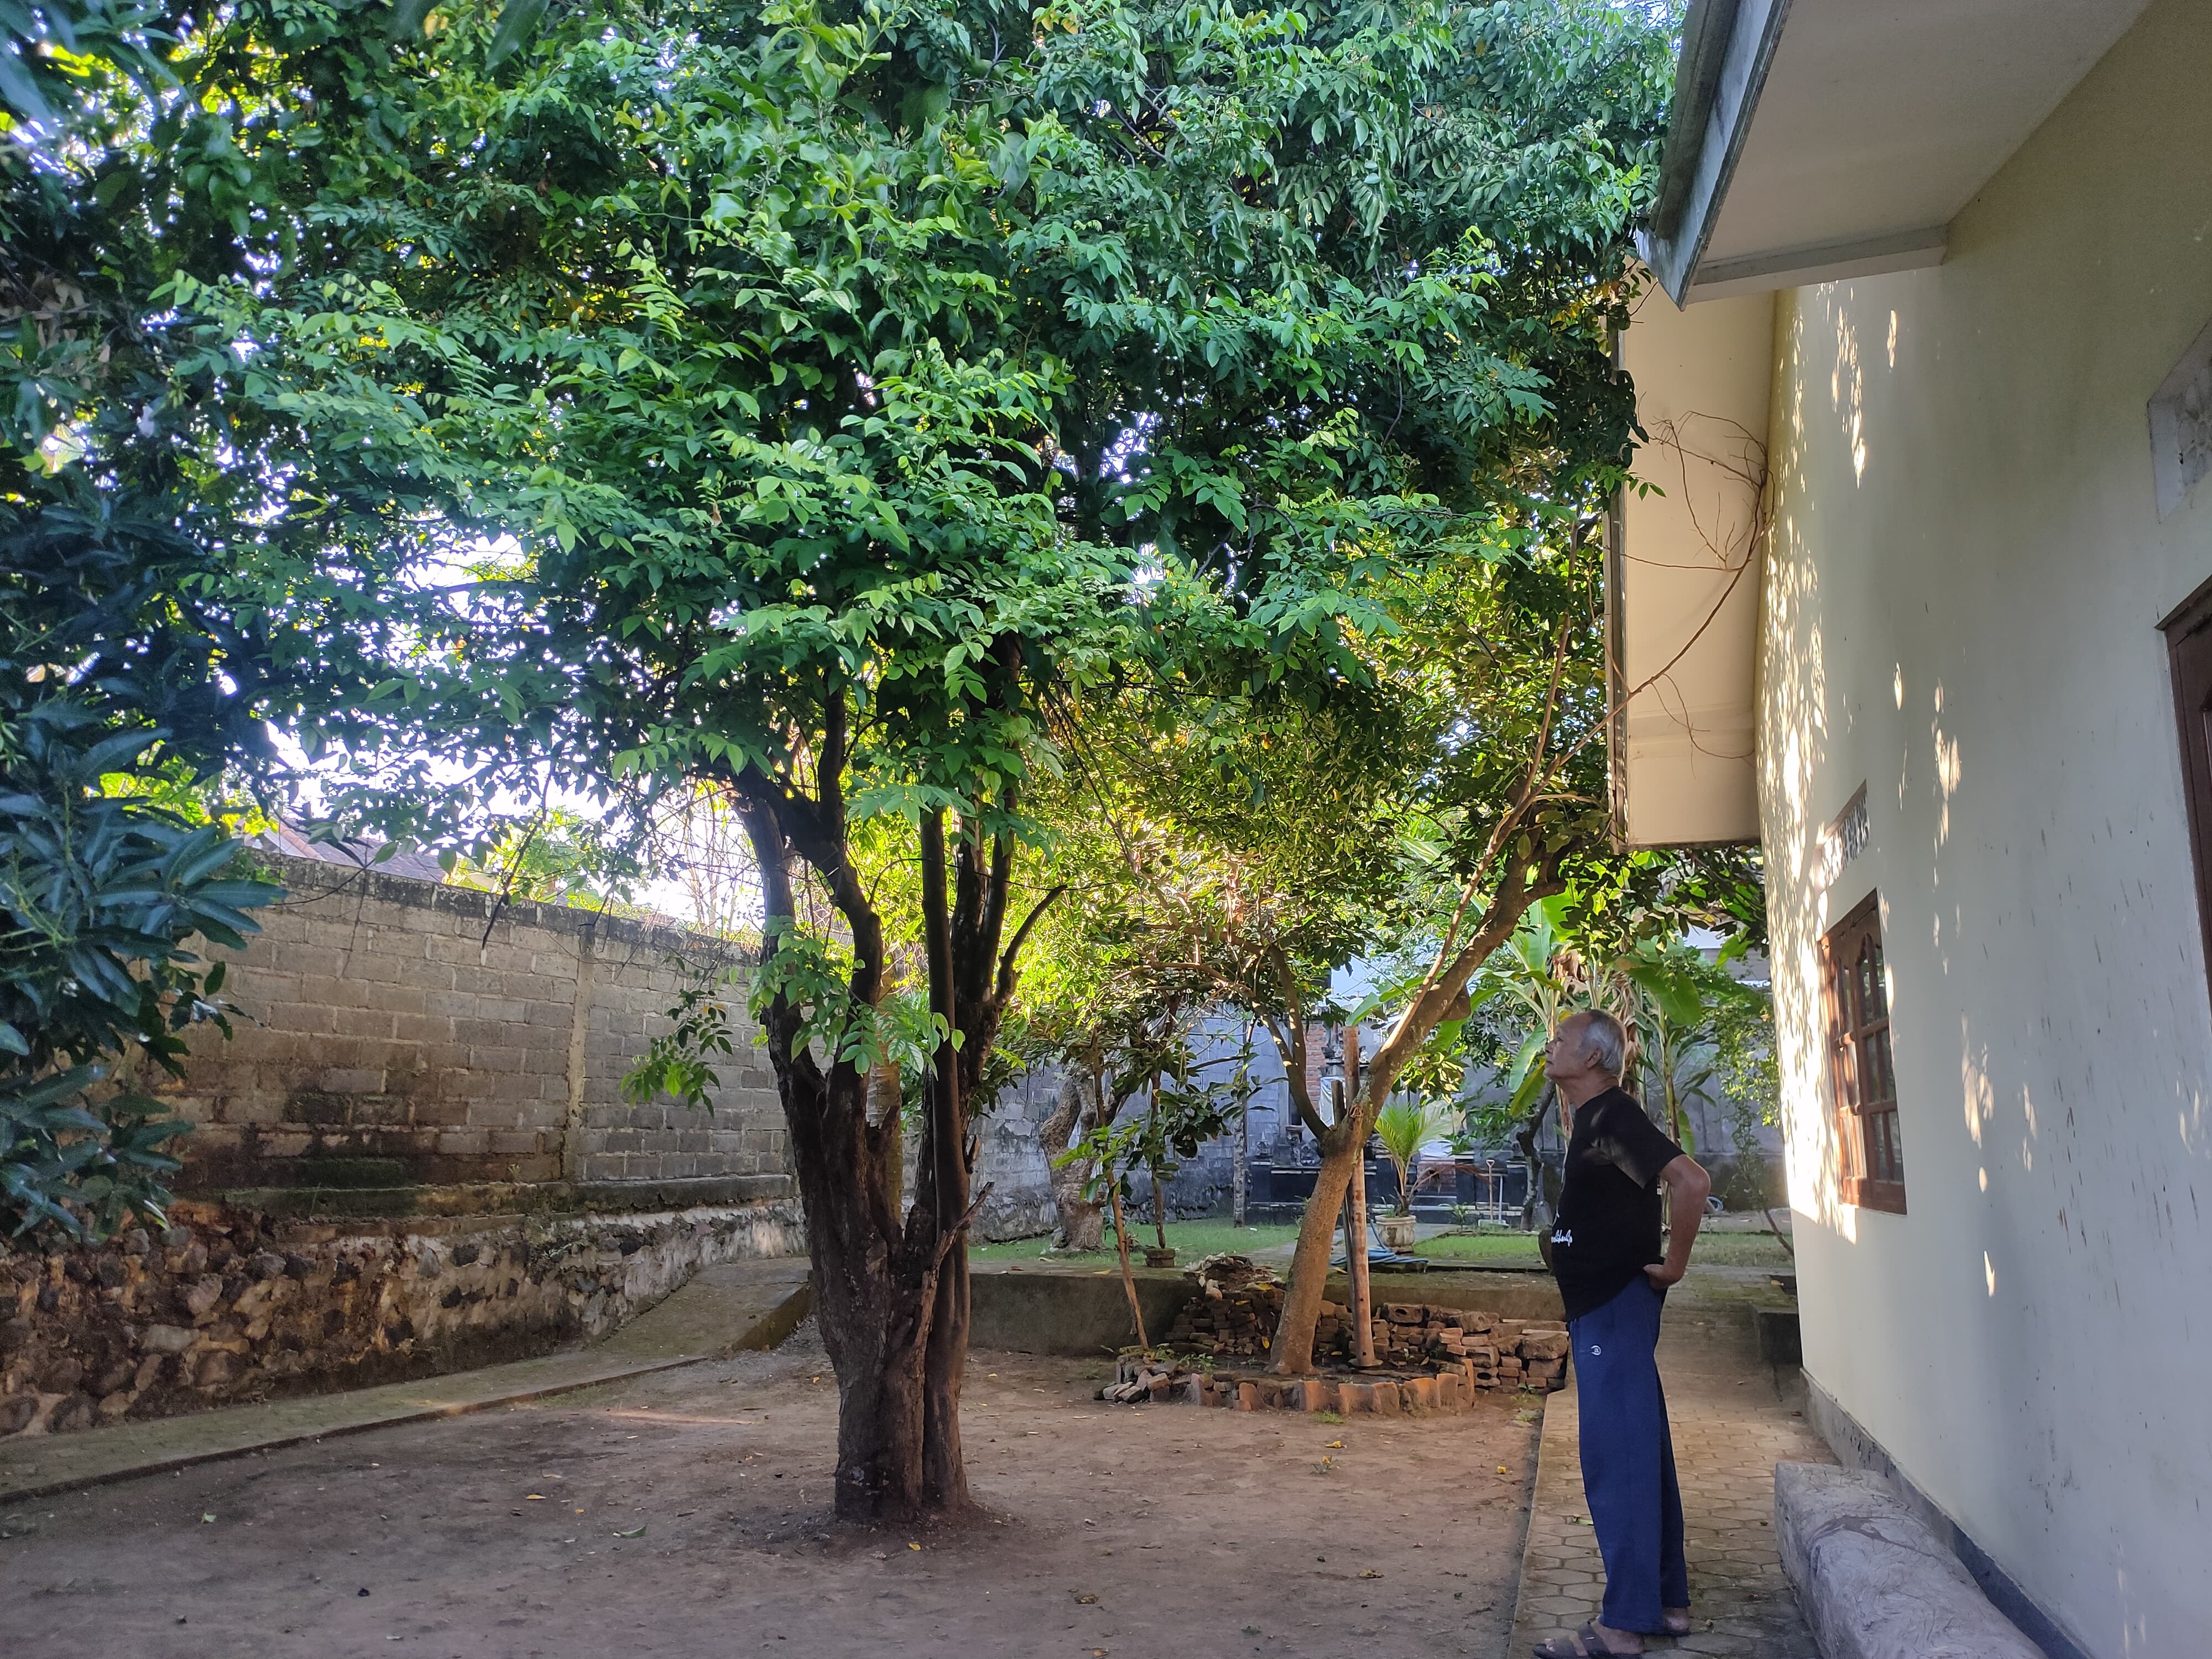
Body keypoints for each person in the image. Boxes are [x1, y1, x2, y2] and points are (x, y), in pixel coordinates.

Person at [1531, 1008, 1712, 1659]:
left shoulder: (1612, 1115)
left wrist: (1675, 1264)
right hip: (1605, 1306)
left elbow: (1691, 1181)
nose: (1550, 1046)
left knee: (1618, 1461)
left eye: (1561, 1040)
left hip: (1613, 1306)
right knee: (1641, 1451)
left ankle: (1623, 1626)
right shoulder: (1594, 1120)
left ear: (1592, 1058)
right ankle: (1665, 1602)